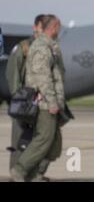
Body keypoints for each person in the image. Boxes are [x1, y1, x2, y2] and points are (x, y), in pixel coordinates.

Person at [10, 15, 66, 182]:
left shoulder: (49, 46)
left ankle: (36, 174)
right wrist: (52, 102)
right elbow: (43, 77)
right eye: (58, 26)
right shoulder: (42, 48)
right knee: (44, 139)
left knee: (54, 143)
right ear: (53, 27)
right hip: (44, 104)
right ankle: (20, 171)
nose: (59, 30)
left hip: (51, 102)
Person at [5, 14, 45, 173]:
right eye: (42, 28)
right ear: (35, 27)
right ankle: (16, 171)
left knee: (39, 139)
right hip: (25, 100)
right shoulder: (24, 47)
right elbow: (12, 73)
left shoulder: (49, 48)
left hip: (41, 101)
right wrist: (19, 98)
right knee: (20, 138)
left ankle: (34, 172)